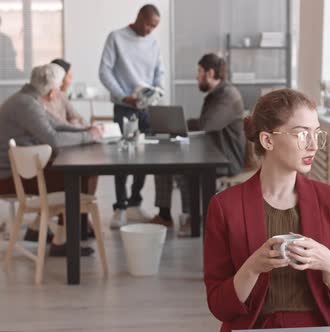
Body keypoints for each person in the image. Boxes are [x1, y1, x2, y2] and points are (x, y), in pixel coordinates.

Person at [204, 89, 330, 331]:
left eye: (316, 134)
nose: (313, 145)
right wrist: (253, 266)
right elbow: (219, 306)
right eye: (301, 134)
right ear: (268, 140)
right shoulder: (225, 206)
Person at [0, 64, 102, 256]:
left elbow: (57, 126)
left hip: (19, 170)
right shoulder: (26, 104)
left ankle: (63, 232)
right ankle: (63, 239)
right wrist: (89, 136)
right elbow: (54, 139)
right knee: (73, 178)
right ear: (53, 90)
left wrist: (88, 131)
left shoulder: (28, 99)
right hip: (8, 178)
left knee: (81, 173)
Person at [150, 53, 245, 235]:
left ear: (210, 73)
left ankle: (191, 218)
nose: (197, 76)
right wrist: (177, 123)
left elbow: (206, 124)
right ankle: (164, 215)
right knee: (163, 165)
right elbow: (204, 123)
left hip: (226, 158)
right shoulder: (216, 94)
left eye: (199, 71)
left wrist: (179, 124)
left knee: (184, 169)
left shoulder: (227, 96)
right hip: (211, 151)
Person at [99, 4, 164, 228]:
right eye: (148, 24)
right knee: (122, 158)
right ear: (138, 17)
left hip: (145, 107)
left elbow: (159, 72)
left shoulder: (153, 43)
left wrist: (157, 91)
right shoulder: (116, 38)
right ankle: (121, 207)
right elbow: (104, 71)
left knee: (143, 157)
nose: (149, 30)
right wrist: (123, 96)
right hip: (124, 106)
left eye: (154, 27)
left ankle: (135, 203)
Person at [44, 58, 86, 127]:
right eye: (69, 77)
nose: (70, 82)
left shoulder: (62, 95)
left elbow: (77, 117)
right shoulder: (45, 99)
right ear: (59, 78)